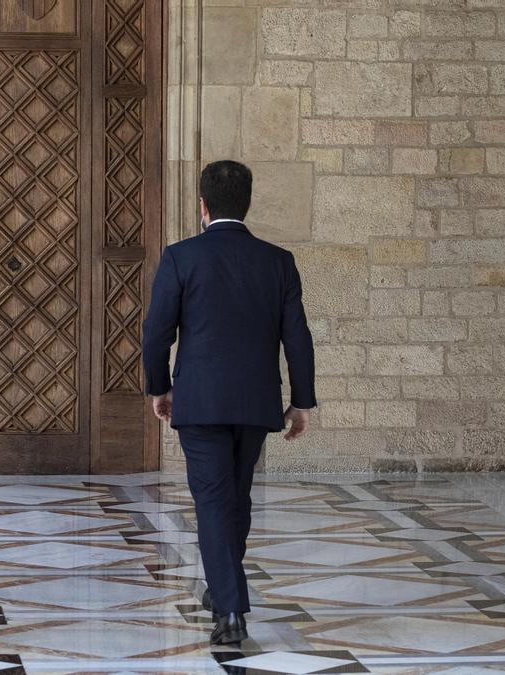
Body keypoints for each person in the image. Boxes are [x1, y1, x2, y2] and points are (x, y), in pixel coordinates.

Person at [141, 160, 316, 645]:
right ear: (247, 204)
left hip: (200, 402)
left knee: (216, 502)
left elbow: (156, 332)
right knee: (234, 499)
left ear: (202, 206)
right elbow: (297, 338)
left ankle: (231, 612)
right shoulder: (277, 261)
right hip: (256, 403)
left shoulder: (181, 257)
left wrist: (159, 388)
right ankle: (223, 591)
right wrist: (301, 402)